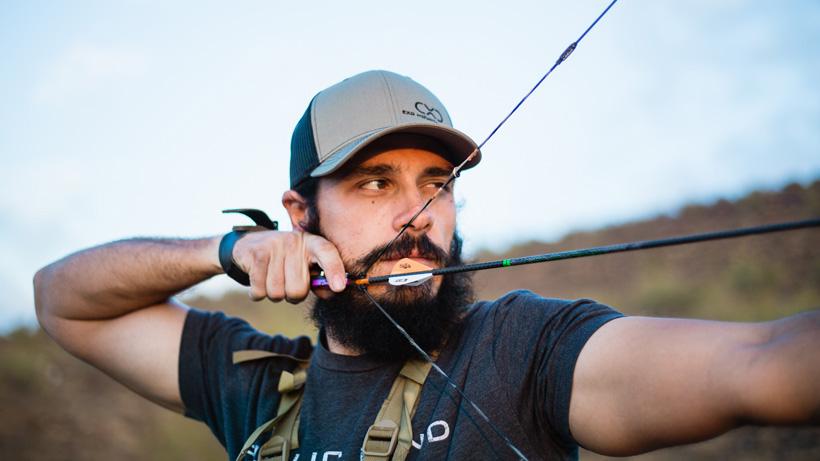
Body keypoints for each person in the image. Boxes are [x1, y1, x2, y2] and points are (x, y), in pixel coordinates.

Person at [34, 70, 819, 461]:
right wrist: (227, 250)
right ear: (301, 215)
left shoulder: (523, 350)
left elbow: (760, 363)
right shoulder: (257, 381)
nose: (418, 217)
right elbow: (62, 299)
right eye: (375, 183)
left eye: (436, 184)